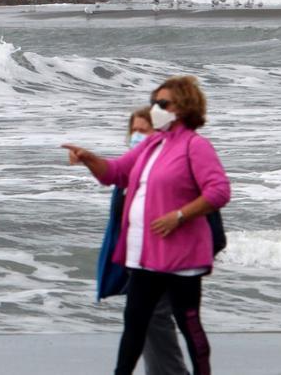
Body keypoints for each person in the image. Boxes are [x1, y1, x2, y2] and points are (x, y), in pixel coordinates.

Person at [65, 76, 230, 375]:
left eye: (162, 104)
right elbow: (115, 172)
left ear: (183, 106)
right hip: (145, 256)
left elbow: (218, 192)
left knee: (189, 323)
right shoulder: (154, 143)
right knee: (134, 325)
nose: (155, 108)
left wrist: (179, 216)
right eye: (154, 102)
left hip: (181, 258)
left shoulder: (195, 145)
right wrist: (89, 159)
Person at [98, 108, 188, 375]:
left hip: (164, 259)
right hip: (138, 260)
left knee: (154, 318)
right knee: (147, 322)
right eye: (134, 131)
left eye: (144, 131)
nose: (137, 136)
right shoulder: (131, 169)